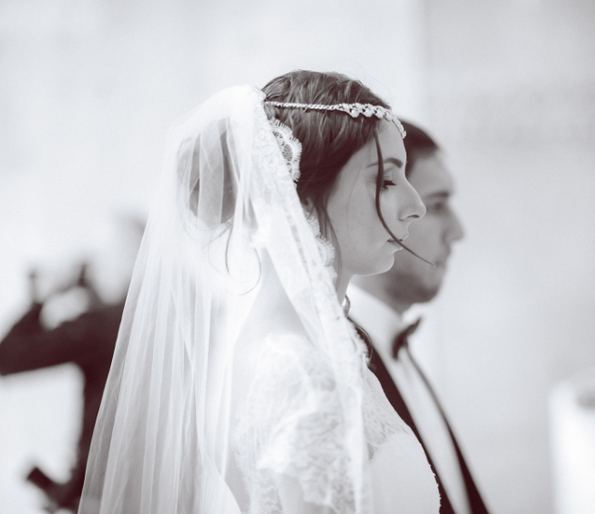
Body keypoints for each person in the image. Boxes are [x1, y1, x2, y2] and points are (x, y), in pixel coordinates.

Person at [80, 71, 442, 514]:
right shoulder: (297, 371)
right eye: (385, 181)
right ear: (298, 195)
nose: (416, 206)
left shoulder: (308, 348)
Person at [348, 122, 489, 514]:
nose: (457, 232)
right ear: (381, 211)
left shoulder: (396, 345)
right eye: (437, 205)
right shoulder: (340, 370)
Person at [0, 264, 122, 513]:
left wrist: (42, 296)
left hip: (102, 488)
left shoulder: (102, 326)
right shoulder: (173, 321)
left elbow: (7, 358)